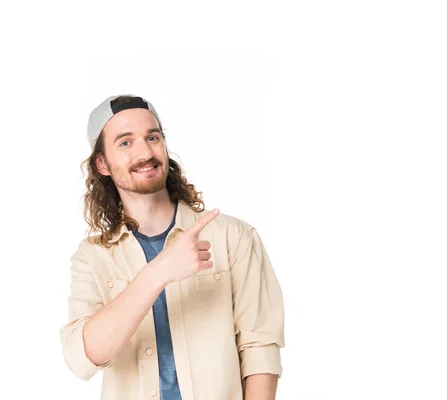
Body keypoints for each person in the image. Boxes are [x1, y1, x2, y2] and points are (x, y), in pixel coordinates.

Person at [59, 94, 285, 400]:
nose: (145, 151)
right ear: (102, 164)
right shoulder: (92, 257)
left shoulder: (234, 237)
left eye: (152, 137)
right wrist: (158, 273)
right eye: (125, 142)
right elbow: (82, 358)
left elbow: (260, 349)